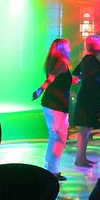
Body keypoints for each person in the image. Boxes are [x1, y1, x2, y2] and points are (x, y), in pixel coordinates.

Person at [32, 39, 76, 181]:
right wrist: (40, 89)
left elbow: (55, 79)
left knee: (55, 136)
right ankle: (52, 171)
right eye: (68, 46)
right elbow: (51, 78)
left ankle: (50, 167)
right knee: (59, 138)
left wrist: (72, 80)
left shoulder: (54, 61)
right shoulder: (62, 61)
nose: (70, 48)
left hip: (52, 103)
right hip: (56, 105)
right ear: (62, 48)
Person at [72, 35, 100, 167]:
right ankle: (80, 159)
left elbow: (75, 72)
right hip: (88, 98)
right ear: (94, 45)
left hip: (87, 96)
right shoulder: (91, 59)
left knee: (85, 130)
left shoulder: (89, 59)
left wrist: (84, 79)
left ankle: (81, 158)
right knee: (85, 130)